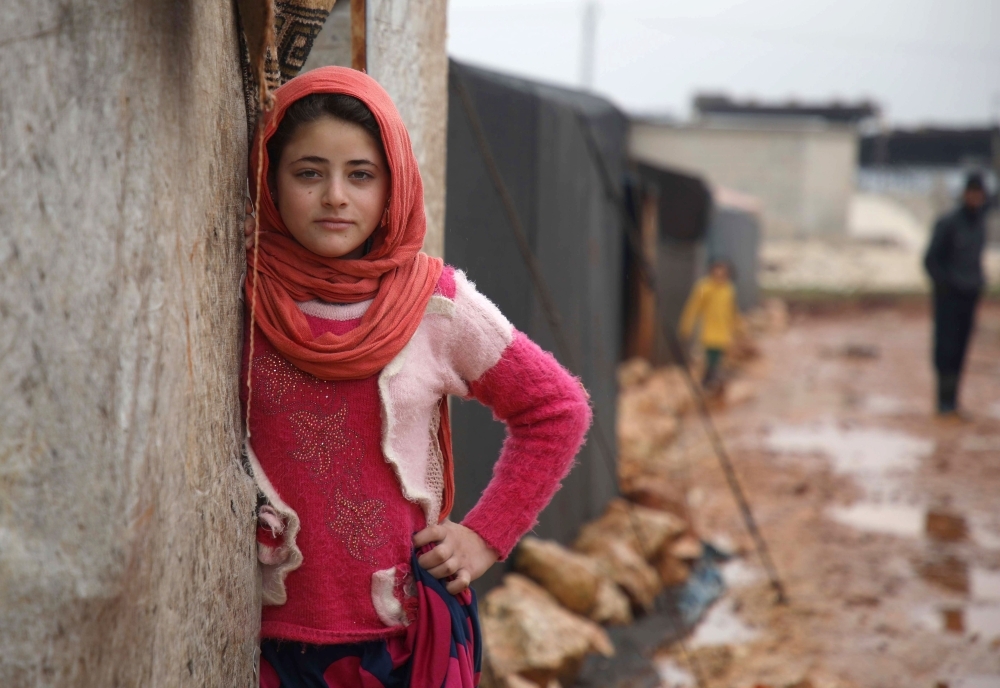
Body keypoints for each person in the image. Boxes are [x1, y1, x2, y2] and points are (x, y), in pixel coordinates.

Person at [240, 67, 592, 688]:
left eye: (361, 174)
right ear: (270, 180)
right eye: (308, 172)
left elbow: (556, 408)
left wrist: (485, 536)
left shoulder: (433, 303)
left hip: (402, 645)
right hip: (255, 643)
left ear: (394, 182)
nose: (335, 197)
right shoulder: (242, 294)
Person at [923, 172, 990, 417]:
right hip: (948, 299)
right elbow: (930, 260)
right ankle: (943, 402)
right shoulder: (949, 223)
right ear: (964, 194)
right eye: (972, 192)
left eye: (979, 193)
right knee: (945, 349)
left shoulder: (978, 223)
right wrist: (945, 286)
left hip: (969, 296)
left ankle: (953, 402)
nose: (975, 198)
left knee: (961, 348)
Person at [679, 259, 741, 390]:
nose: (719, 277)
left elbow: (733, 311)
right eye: (717, 273)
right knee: (706, 358)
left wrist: (737, 329)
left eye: (723, 274)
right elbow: (693, 307)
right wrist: (687, 326)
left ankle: (711, 382)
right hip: (706, 329)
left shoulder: (729, 290)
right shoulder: (703, 287)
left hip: (722, 331)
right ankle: (706, 382)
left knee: (717, 358)